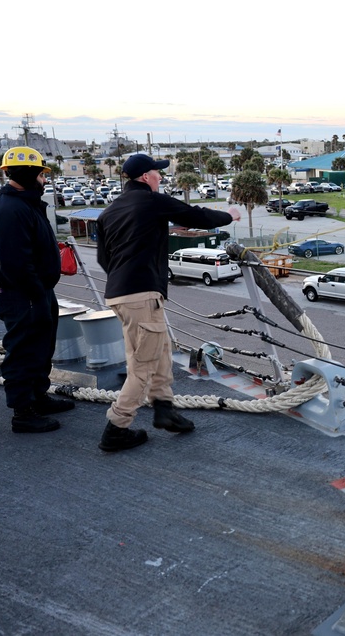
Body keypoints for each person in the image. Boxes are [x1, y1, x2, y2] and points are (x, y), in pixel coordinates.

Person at [95, 153, 240, 452]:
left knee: (159, 349)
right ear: (146, 177)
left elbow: (103, 259)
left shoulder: (108, 212)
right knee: (142, 365)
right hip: (141, 294)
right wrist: (230, 215)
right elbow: (194, 215)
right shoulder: (151, 201)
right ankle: (116, 428)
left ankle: (164, 409)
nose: (161, 177)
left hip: (120, 294)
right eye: (157, 173)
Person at [0, 146, 75, 433]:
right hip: (23, 295)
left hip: (37, 293)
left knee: (41, 347)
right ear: (28, 174)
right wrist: (37, 292)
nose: (44, 180)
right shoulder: (10, 210)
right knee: (23, 350)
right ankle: (23, 412)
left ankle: (38, 397)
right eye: (41, 174)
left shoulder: (25, 204)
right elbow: (14, 263)